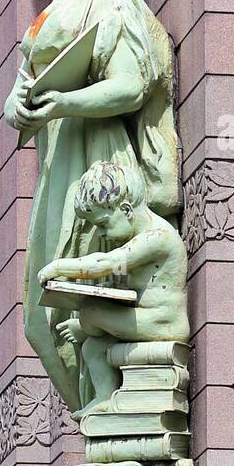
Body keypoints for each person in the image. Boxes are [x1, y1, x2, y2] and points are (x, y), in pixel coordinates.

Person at [6, 0, 180, 412]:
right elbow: (24, 85)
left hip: (98, 161)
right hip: (58, 160)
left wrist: (63, 103)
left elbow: (129, 85)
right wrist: (20, 104)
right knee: (40, 316)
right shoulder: (50, 12)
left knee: (79, 298)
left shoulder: (109, 3)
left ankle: (120, 416)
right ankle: (94, 415)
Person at [38, 161, 190, 418]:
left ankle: (89, 327)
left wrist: (59, 267)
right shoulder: (135, 242)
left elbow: (105, 263)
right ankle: (105, 397)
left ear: (126, 209)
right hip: (143, 319)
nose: (103, 233)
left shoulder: (157, 237)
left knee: (91, 313)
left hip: (162, 322)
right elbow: (121, 285)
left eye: (103, 224)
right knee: (92, 348)